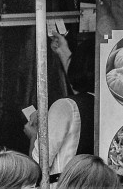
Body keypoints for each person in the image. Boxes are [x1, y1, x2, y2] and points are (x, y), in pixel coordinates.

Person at [24, 34, 95, 180]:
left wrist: (34, 136)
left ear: (77, 64)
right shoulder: (104, 106)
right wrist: (63, 51)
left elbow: (37, 167)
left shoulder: (65, 107)